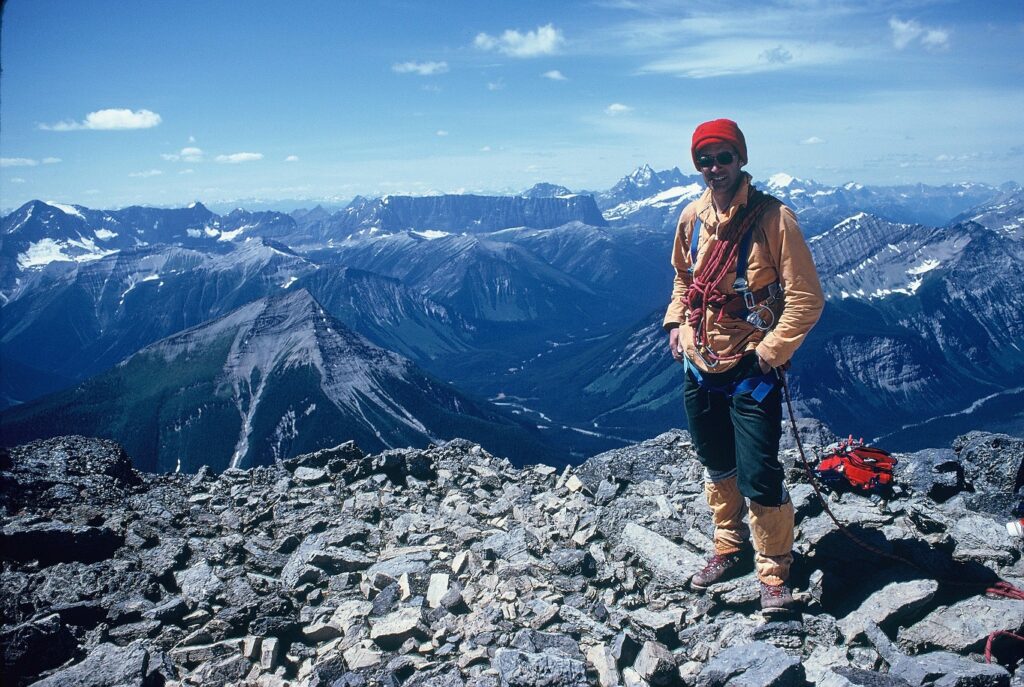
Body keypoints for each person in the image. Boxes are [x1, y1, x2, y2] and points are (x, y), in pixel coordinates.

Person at [664, 118, 824, 610]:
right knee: (716, 463)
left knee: (758, 473)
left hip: (750, 368)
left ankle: (774, 573)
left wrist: (769, 355)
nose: (714, 167)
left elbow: (806, 299)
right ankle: (729, 548)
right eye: (704, 159)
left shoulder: (775, 219)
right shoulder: (692, 217)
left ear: (741, 158)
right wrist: (676, 324)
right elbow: (682, 279)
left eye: (723, 157)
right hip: (698, 361)